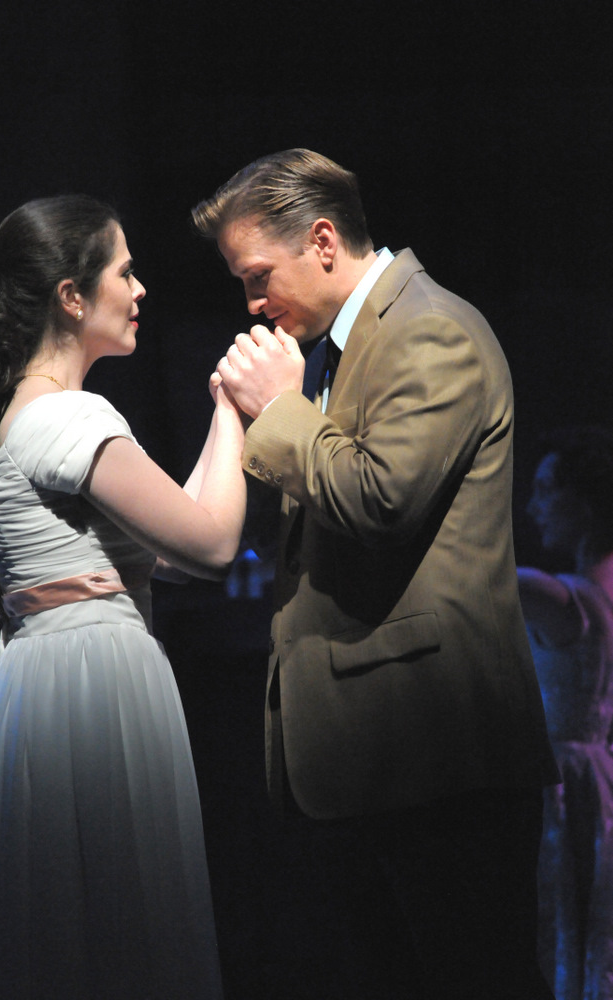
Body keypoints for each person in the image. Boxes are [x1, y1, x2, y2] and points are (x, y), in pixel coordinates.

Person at [192, 149, 559, 999]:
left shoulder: (429, 328)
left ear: (322, 241)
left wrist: (279, 408)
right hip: (372, 752)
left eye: (257, 276)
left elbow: (380, 499)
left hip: (434, 753)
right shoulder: (338, 346)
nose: (252, 304)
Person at [0, 195, 246, 999]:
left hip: (37, 679)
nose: (140, 289)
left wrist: (223, 416)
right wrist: (233, 410)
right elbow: (212, 545)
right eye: (124, 271)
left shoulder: (27, 414)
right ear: (72, 297)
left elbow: (171, 549)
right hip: (90, 682)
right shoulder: (70, 415)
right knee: (120, 928)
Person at [518, 426, 613, 1000]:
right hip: (599, 781)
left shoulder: (557, 594)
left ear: (584, 502)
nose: (532, 508)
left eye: (545, 490)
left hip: (563, 785)